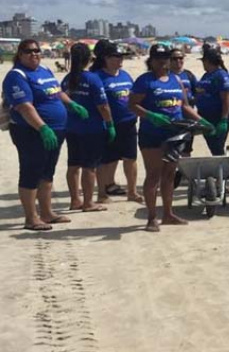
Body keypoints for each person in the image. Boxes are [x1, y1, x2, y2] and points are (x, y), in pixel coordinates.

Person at [3, 39, 88, 230]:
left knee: (47, 172)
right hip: (31, 131)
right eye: (28, 51)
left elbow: (57, 92)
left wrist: (71, 104)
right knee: (31, 172)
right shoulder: (17, 76)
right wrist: (42, 127)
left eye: (37, 51)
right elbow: (25, 107)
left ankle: (47, 212)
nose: (34, 54)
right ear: (20, 54)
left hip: (57, 130)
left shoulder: (45, 71)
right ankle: (31, 217)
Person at [130, 43, 209, 232]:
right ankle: (151, 217)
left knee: (169, 175)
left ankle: (168, 214)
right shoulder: (145, 81)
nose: (163, 62)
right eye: (158, 59)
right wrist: (151, 116)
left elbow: (185, 106)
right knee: (153, 175)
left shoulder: (176, 80)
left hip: (174, 134)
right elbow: (132, 105)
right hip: (152, 135)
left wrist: (203, 122)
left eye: (165, 58)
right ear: (151, 60)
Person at [62, 43, 114, 212]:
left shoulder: (67, 79)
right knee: (89, 167)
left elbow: (62, 98)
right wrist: (110, 124)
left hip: (71, 128)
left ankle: (75, 200)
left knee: (73, 165)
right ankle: (88, 202)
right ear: (88, 59)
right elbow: (103, 106)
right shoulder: (92, 78)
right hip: (91, 129)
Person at [92, 40, 142, 203]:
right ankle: (102, 193)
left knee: (130, 158)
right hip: (108, 125)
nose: (120, 60)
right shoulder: (98, 77)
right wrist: (108, 123)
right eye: (116, 56)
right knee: (106, 160)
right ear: (106, 58)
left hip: (128, 123)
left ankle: (132, 191)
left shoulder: (125, 75)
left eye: (122, 56)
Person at [194, 49, 229, 155]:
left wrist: (224, 119)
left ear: (208, 61)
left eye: (203, 61)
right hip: (205, 117)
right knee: (213, 148)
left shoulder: (221, 76)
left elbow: (226, 99)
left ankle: (225, 170)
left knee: (217, 148)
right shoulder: (206, 75)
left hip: (217, 117)